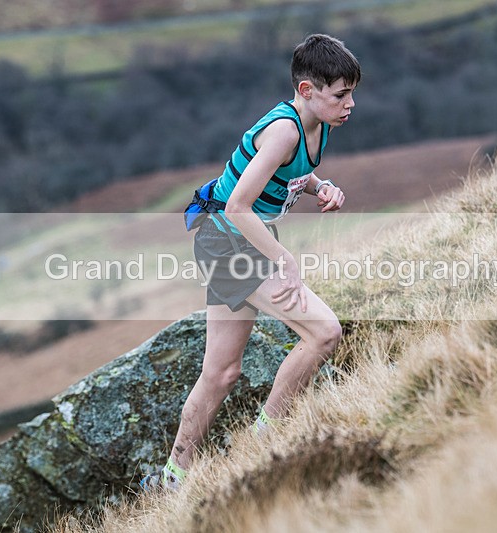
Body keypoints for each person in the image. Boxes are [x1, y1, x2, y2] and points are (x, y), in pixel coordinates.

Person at [141, 33, 360, 491]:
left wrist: (320, 187)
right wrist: (284, 260)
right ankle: (268, 435)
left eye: (352, 93)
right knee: (324, 331)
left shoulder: (316, 125)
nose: (350, 104)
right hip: (226, 239)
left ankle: (172, 476)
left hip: (235, 239)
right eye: (341, 94)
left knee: (222, 373)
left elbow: (291, 168)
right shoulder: (285, 128)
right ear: (307, 91)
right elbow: (240, 206)